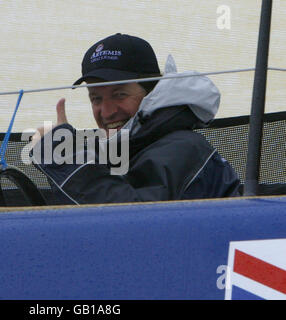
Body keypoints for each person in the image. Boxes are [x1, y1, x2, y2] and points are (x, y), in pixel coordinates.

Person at [30, 33, 240, 205]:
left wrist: (61, 153)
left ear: (152, 92)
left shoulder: (184, 148)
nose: (107, 111)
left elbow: (129, 223)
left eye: (119, 94)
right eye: (96, 98)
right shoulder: (127, 148)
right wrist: (62, 148)